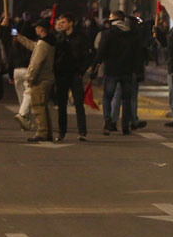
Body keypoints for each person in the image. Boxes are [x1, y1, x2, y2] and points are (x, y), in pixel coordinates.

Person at [90, 10, 139, 136]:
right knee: (126, 99)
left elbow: (100, 53)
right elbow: (136, 55)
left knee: (107, 97)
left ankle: (108, 121)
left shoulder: (107, 34)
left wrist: (95, 67)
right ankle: (125, 126)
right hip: (127, 71)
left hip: (112, 70)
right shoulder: (131, 35)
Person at [15, 20, 56, 142]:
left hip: (41, 79)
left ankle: (42, 133)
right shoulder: (47, 42)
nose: (35, 30)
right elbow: (33, 45)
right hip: (47, 78)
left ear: (41, 29)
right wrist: (18, 36)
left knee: (38, 107)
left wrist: (30, 78)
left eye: (37, 27)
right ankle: (47, 132)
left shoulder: (43, 44)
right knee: (43, 107)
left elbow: (36, 63)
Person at [54, 13, 90, 141]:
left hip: (75, 74)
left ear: (70, 23)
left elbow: (86, 56)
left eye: (63, 22)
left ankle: (82, 132)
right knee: (61, 105)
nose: (61, 24)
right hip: (62, 75)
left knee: (78, 103)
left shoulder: (80, 38)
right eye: (60, 22)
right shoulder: (58, 38)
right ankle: (61, 132)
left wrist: (81, 72)